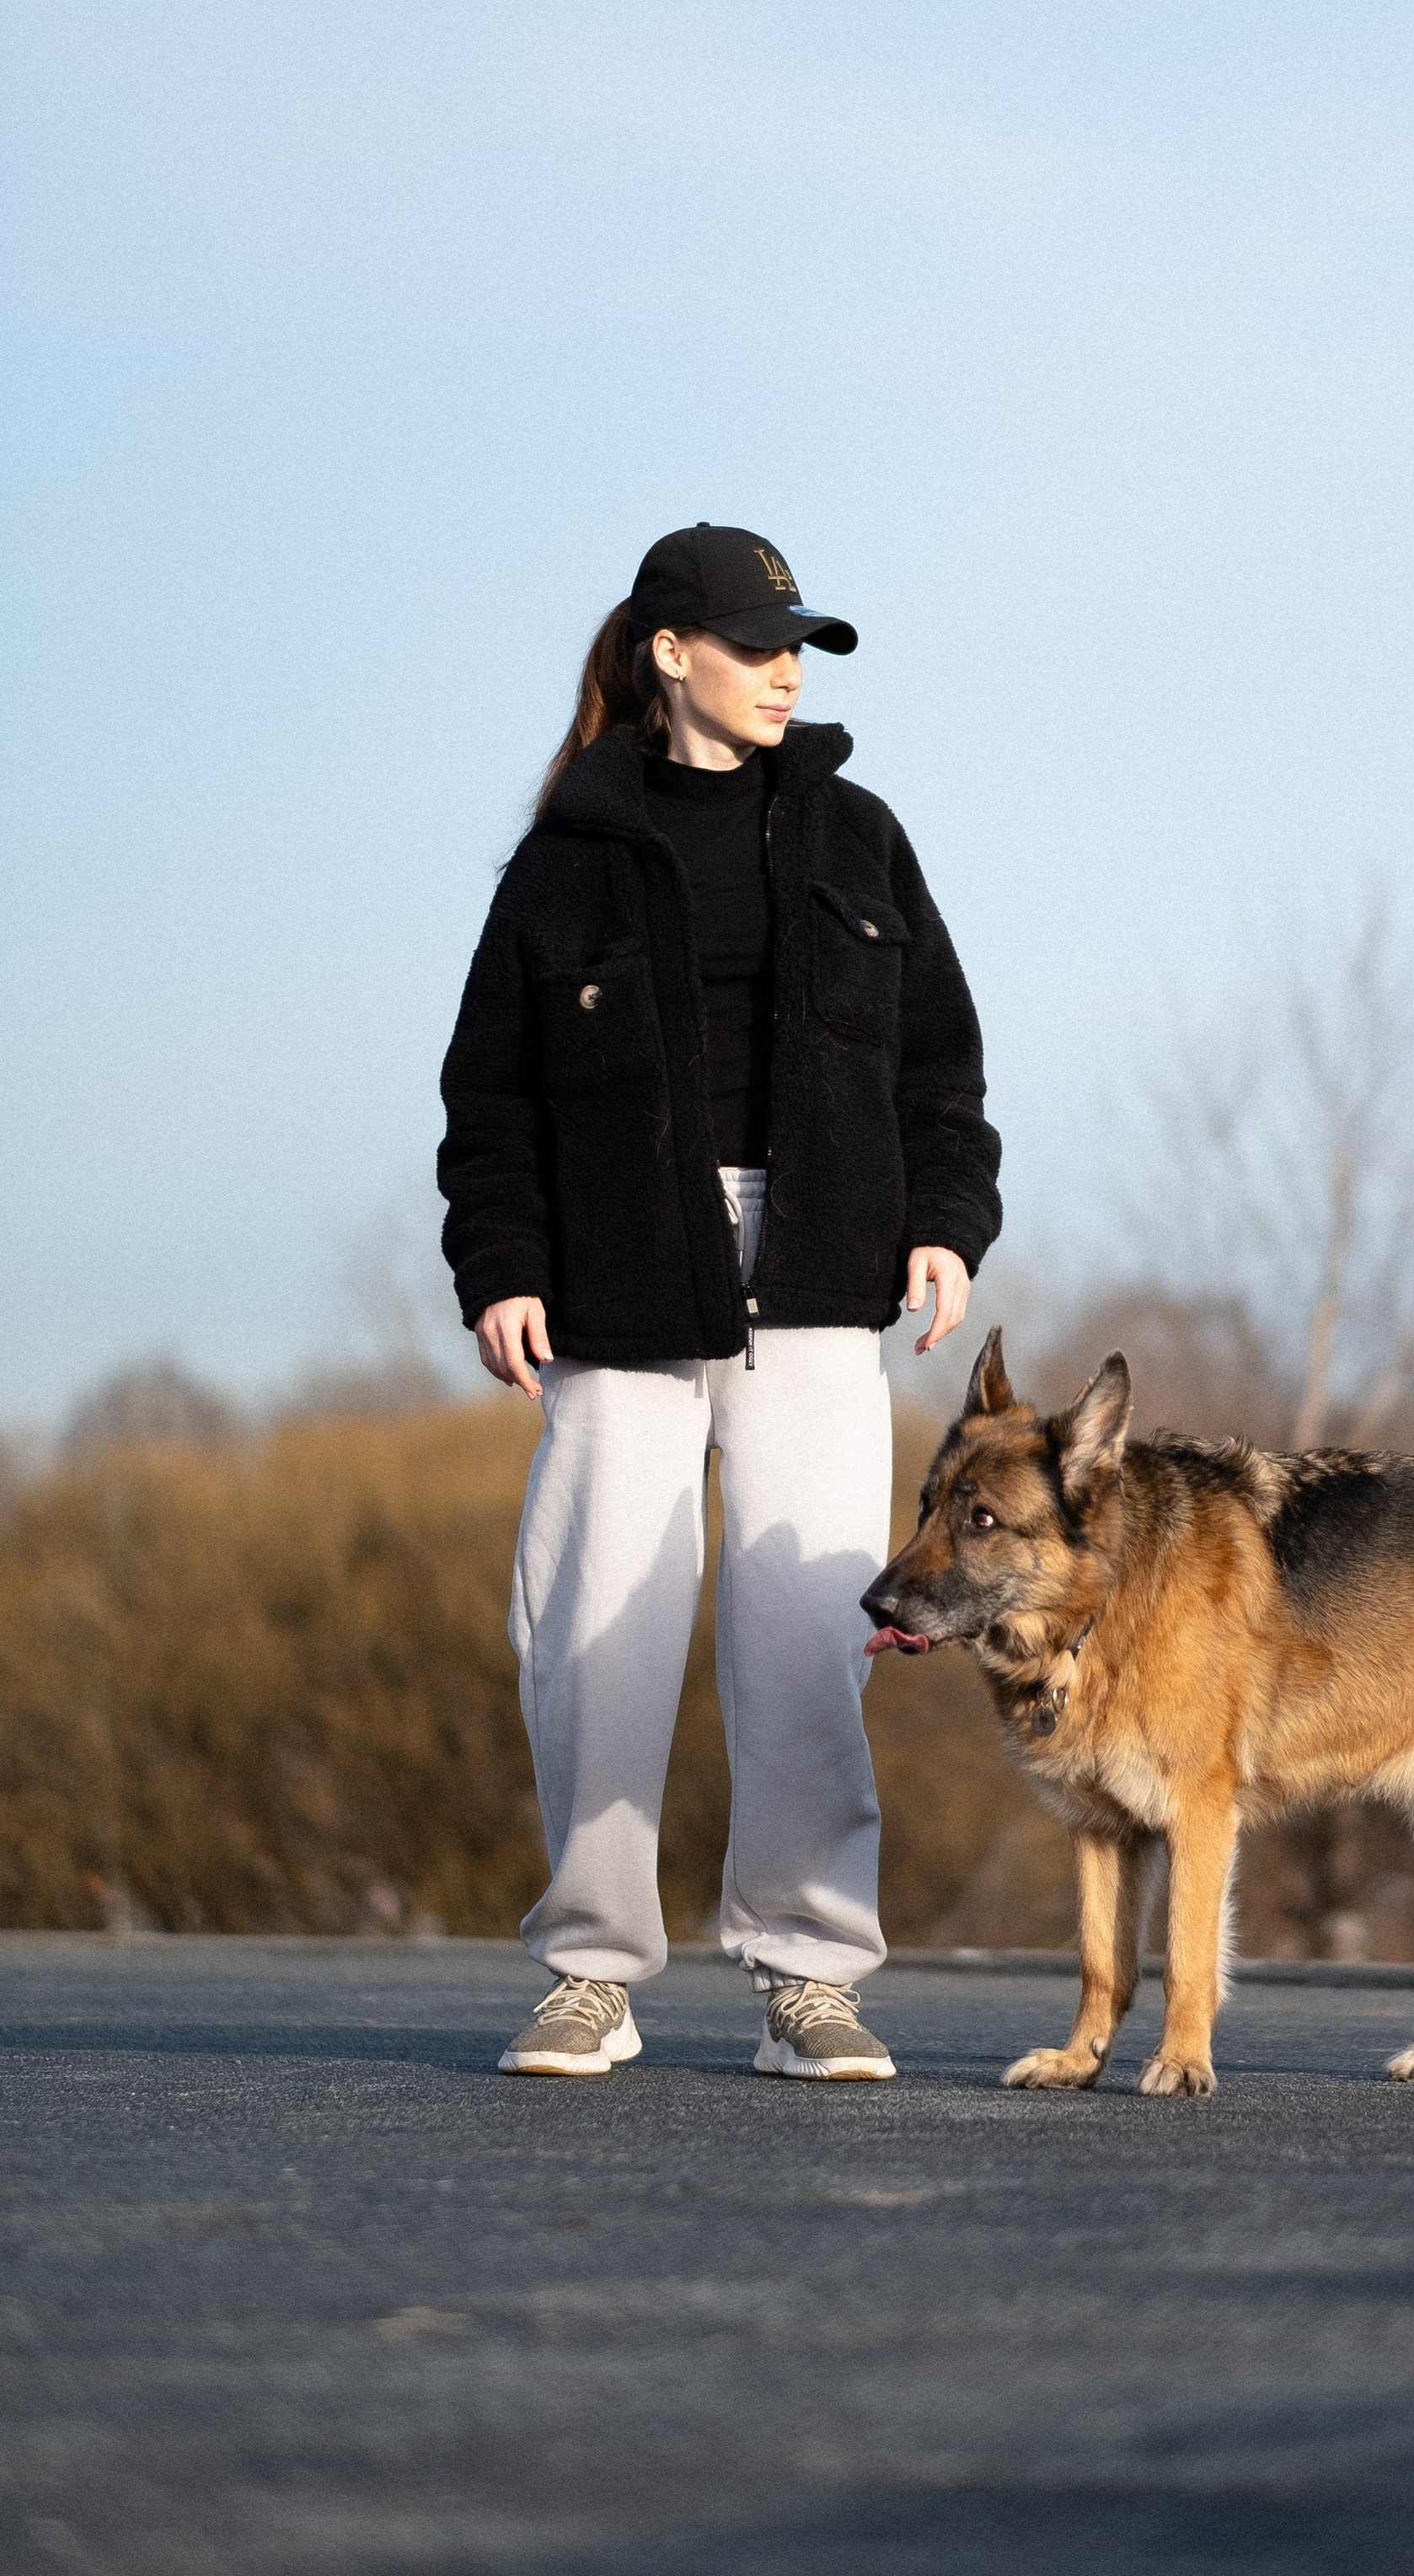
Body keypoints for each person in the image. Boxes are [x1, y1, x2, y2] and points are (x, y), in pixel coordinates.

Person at [438, 522, 1000, 2081]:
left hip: (823, 1270)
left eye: (799, 648)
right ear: (668, 655)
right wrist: (503, 1267)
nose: (782, 673)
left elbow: (938, 1063)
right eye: (756, 645)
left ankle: (810, 1975)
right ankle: (591, 1973)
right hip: (619, 1279)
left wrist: (945, 1225)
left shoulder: (858, 835)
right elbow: (492, 1099)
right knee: (590, 1639)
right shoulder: (567, 860)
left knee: (809, 1631)